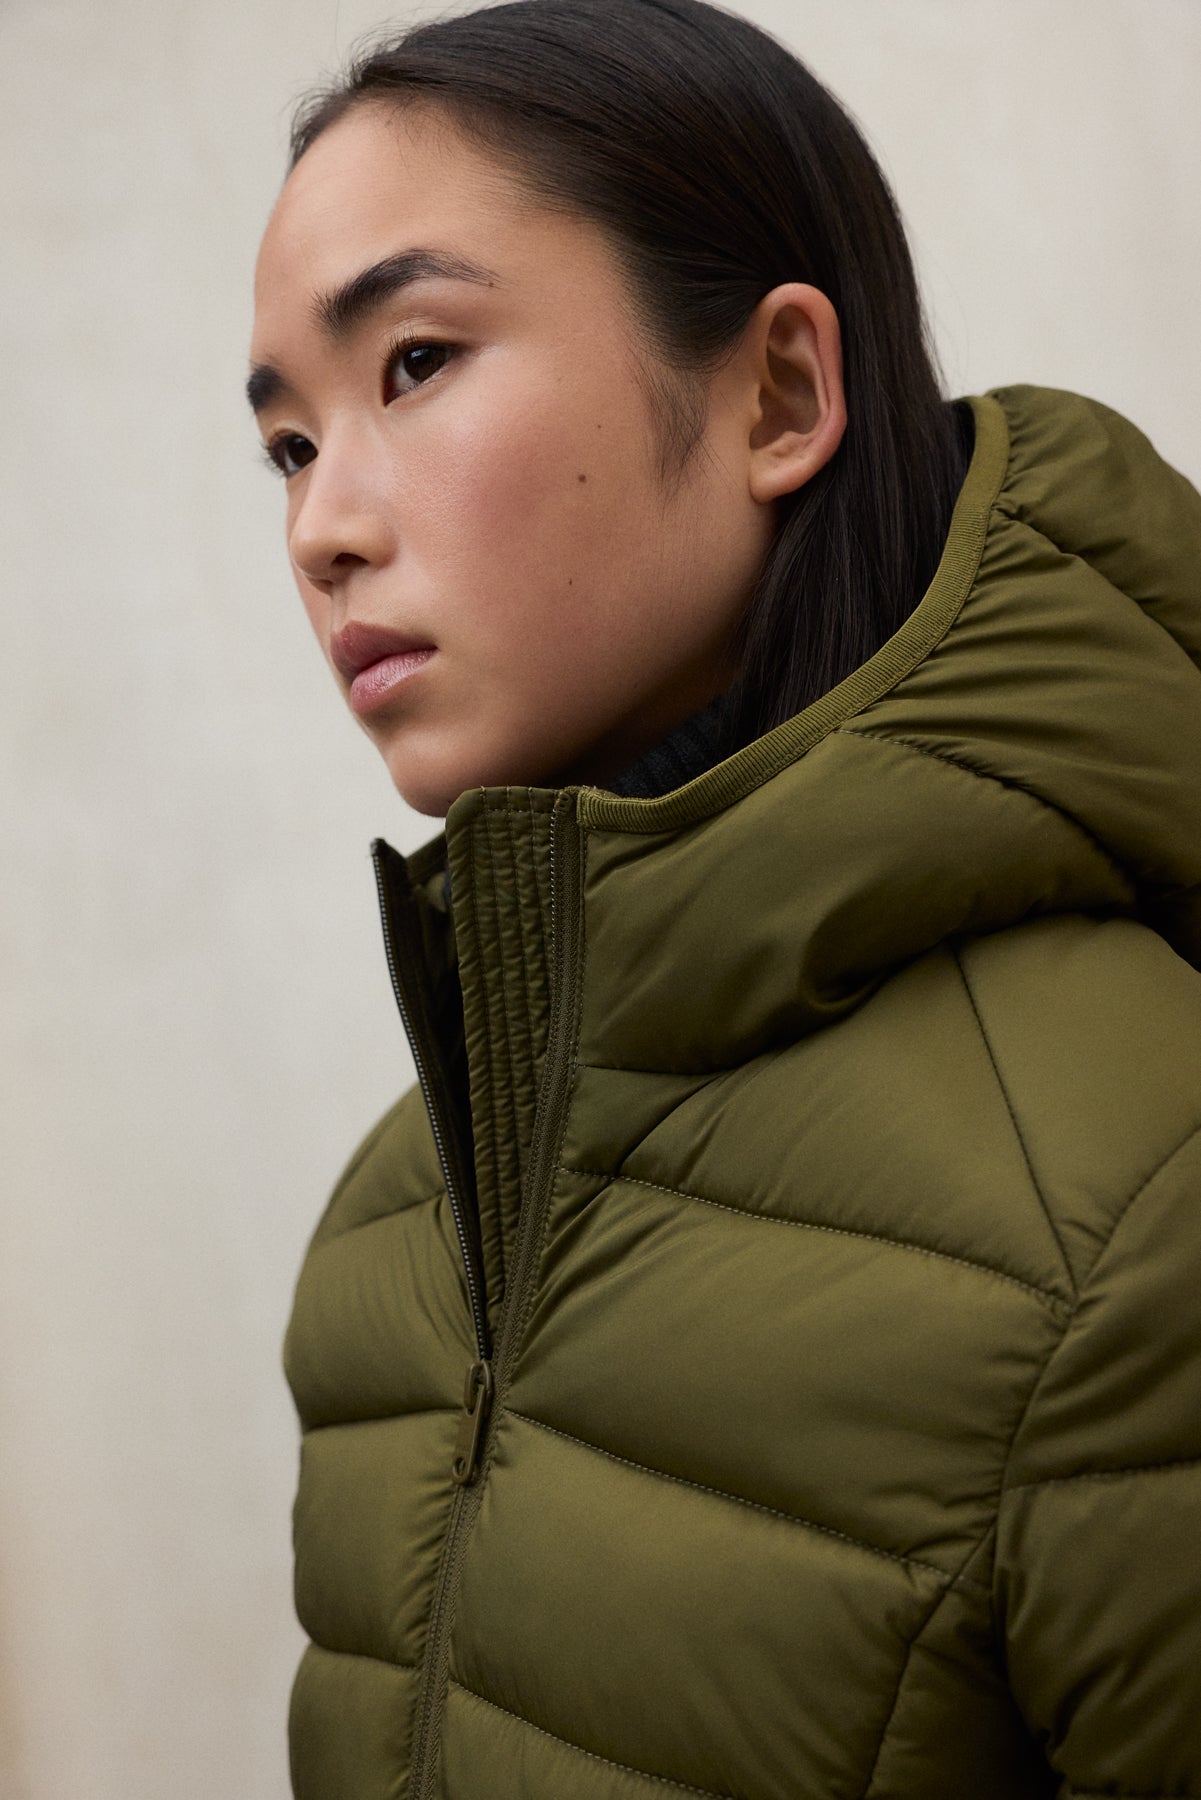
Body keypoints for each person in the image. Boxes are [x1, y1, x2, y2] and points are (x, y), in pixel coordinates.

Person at [247, 1, 1201, 1794]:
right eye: (289, 445)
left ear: (777, 394)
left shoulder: (1142, 1193)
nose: (321, 528)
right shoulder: (392, 1223)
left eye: (415, 362)